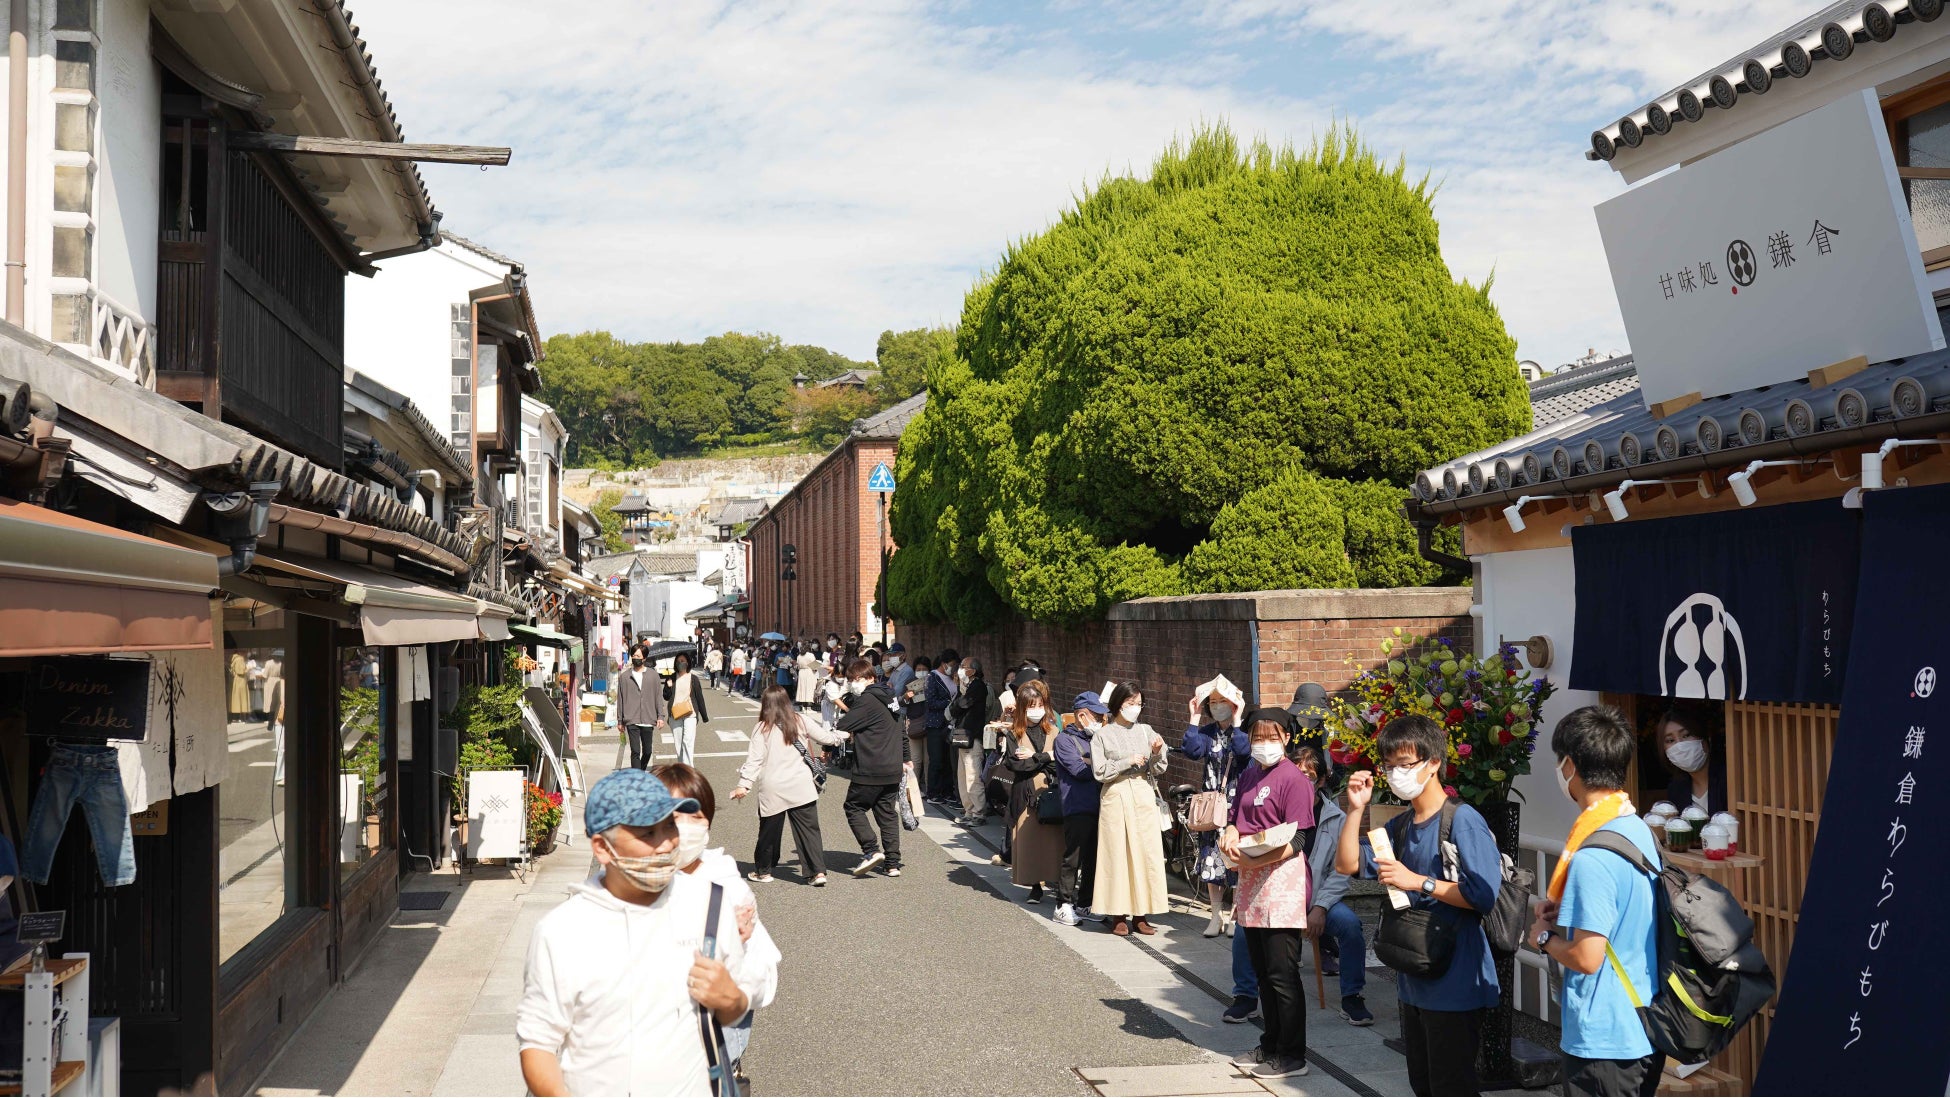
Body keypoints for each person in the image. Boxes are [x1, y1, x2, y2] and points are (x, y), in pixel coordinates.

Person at [516, 768, 749, 1096]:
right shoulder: (563, 931)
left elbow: (733, 1008)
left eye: (670, 825)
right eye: (647, 832)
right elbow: (538, 1043)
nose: (665, 843)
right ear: (602, 848)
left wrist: (733, 998)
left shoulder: (711, 904)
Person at [1336, 714, 1501, 1097]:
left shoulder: (1464, 821)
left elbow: (1483, 895)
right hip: (1414, 976)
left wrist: (1418, 881)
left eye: (1405, 765)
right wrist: (1355, 808)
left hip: (1458, 981)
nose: (1396, 774)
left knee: (1452, 1087)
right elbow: (1347, 864)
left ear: (1434, 763)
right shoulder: (1402, 824)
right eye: (1389, 766)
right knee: (1423, 1086)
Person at [1531, 706, 1665, 1096]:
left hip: (1605, 1035)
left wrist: (1541, 937)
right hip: (1643, 1020)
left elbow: (1587, 958)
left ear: (1570, 765)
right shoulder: (1635, 827)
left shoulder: (1591, 856)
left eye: (1560, 763)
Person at [653, 762, 780, 1089]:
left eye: (696, 816)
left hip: (711, 1049)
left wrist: (731, 947)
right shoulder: (625, 886)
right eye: (672, 815)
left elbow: (760, 974)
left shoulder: (725, 884)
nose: (684, 826)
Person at [1220, 710, 1316, 1081]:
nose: (1264, 743)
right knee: (1262, 971)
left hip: (1280, 879)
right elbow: (1234, 814)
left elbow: (1299, 839)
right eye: (1257, 736)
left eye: (1272, 736)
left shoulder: (1294, 779)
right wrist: (1230, 832)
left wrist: (1251, 857)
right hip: (1251, 877)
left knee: (1282, 973)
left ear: (1287, 739)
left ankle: (1293, 1054)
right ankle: (1271, 1044)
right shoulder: (1248, 773)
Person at [1294, 743, 1372, 1026]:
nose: (1303, 780)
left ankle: (1352, 996)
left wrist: (1320, 907)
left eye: (1309, 774)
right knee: (1244, 931)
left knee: (1350, 926)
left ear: (1322, 779)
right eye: (1296, 772)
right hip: (1280, 899)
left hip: (1318, 899)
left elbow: (1340, 872)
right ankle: (1245, 996)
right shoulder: (1278, 811)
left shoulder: (1336, 818)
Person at [732, 685, 841, 885]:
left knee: (769, 832)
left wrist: (744, 785)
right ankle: (817, 872)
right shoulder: (800, 720)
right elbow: (826, 738)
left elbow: (754, 760)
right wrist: (842, 736)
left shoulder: (762, 727)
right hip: (801, 785)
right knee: (809, 831)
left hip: (773, 788)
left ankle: (764, 871)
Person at [1090, 682, 1170, 936]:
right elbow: (1100, 771)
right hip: (1116, 794)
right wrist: (1127, 761)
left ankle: (1141, 914)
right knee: (1117, 854)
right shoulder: (1102, 735)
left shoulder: (1146, 730)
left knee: (1146, 854)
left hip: (1143, 795)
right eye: (1130, 704)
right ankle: (1117, 914)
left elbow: (1159, 768)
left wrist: (1156, 753)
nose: (1135, 709)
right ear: (1118, 704)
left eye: (1139, 704)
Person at [1181, 679, 1249, 937]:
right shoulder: (1208, 733)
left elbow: (1243, 753)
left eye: (1223, 701)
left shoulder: (1243, 729)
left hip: (1237, 803)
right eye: (1213, 702)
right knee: (1212, 857)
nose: (1218, 706)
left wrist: (1239, 719)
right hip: (1213, 805)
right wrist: (1194, 717)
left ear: (1234, 702)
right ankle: (1215, 915)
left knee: (1236, 859)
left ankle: (1236, 915)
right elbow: (1192, 750)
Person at [835, 657, 910, 877]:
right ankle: (893, 863)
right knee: (886, 813)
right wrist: (906, 758)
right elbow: (901, 730)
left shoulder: (867, 700)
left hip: (870, 766)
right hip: (893, 765)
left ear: (868, 678)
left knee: (854, 807)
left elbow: (844, 724)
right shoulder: (891, 698)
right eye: (851, 679)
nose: (853, 683)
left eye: (856, 679)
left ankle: (871, 850)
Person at [1002, 679, 1065, 903]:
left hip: (1051, 790)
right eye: (1031, 706)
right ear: (1022, 708)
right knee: (1029, 840)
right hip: (1026, 792)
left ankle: (1058, 883)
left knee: (1053, 841)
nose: (1036, 711)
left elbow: (1060, 763)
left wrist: (1037, 758)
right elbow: (1017, 765)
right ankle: (1035, 885)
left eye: (1040, 705)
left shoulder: (1055, 731)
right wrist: (1047, 758)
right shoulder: (1013, 734)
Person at [1052, 692, 1106, 926]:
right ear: (1082, 715)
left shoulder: (1099, 738)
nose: (1102, 721)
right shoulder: (1065, 740)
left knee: (1093, 858)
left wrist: (1094, 763)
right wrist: (1097, 765)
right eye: (1097, 716)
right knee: (1073, 857)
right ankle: (1062, 904)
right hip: (1077, 805)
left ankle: (1085, 902)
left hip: (1100, 806)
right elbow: (1079, 770)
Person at [1659, 706, 1726, 817]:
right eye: (1670, 740)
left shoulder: (1729, 779)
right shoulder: (1676, 790)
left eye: (1686, 735)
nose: (1680, 745)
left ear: (1706, 738)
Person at [950, 657, 996, 818]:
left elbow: (960, 706)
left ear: (973, 670)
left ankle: (978, 811)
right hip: (963, 736)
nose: (960, 669)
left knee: (972, 776)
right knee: (962, 776)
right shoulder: (965, 687)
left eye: (964, 666)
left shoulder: (978, 686)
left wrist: (958, 701)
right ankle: (968, 810)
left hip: (973, 737)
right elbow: (954, 707)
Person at [616, 646, 666, 770]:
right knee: (635, 751)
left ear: (644, 658)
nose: (635, 658)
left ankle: (641, 770)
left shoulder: (653, 676)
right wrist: (620, 721)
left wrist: (660, 716)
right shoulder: (624, 677)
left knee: (648, 751)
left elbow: (658, 697)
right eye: (633, 656)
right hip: (631, 718)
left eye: (638, 656)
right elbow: (620, 699)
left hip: (648, 718)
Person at [923, 649, 960, 802]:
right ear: (944, 664)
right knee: (936, 759)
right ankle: (933, 792)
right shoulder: (932, 677)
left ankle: (947, 791)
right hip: (935, 724)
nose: (954, 668)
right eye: (952, 665)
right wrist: (948, 704)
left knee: (947, 760)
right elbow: (930, 701)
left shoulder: (953, 678)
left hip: (949, 724)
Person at [663, 653, 711, 766]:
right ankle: (682, 770)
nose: (681, 663)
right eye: (679, 661)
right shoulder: (671, 678)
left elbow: (699, 697)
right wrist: (668, 687)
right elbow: (666, 697)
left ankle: (689, 770)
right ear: (675, 663)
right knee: (679, 744)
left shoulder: (693, 678)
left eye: (683, 661)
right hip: (675, 714)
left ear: (688, 663)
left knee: (687, 742)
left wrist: (704, 716)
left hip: (690, 714)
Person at [899, 654, 932, 785]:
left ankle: (929, 788)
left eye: (924, 669)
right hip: (914, 724)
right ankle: (913, 787)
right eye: (918, 669)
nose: (921, 671)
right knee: (916, 759)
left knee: (928, 759)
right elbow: (901, 702)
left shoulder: (933, 682)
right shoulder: (910, 683)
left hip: (930, 725)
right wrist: (906, 697)